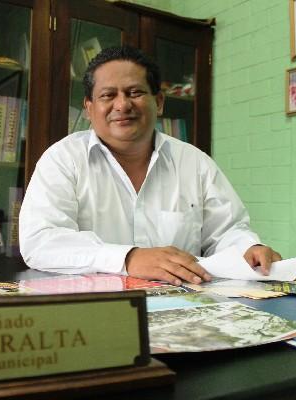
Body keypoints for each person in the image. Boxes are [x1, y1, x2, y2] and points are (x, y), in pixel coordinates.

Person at [19, 46, 281, 286]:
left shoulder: (194, 162)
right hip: (94, 309)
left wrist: (249, 249)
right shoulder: (62, 159)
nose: (122, 105)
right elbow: (40, 242)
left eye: (135, 93)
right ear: (89, 108)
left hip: (184, 309)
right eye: (108, 95)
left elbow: (227, 231)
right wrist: (128, 258)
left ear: (159, 102)